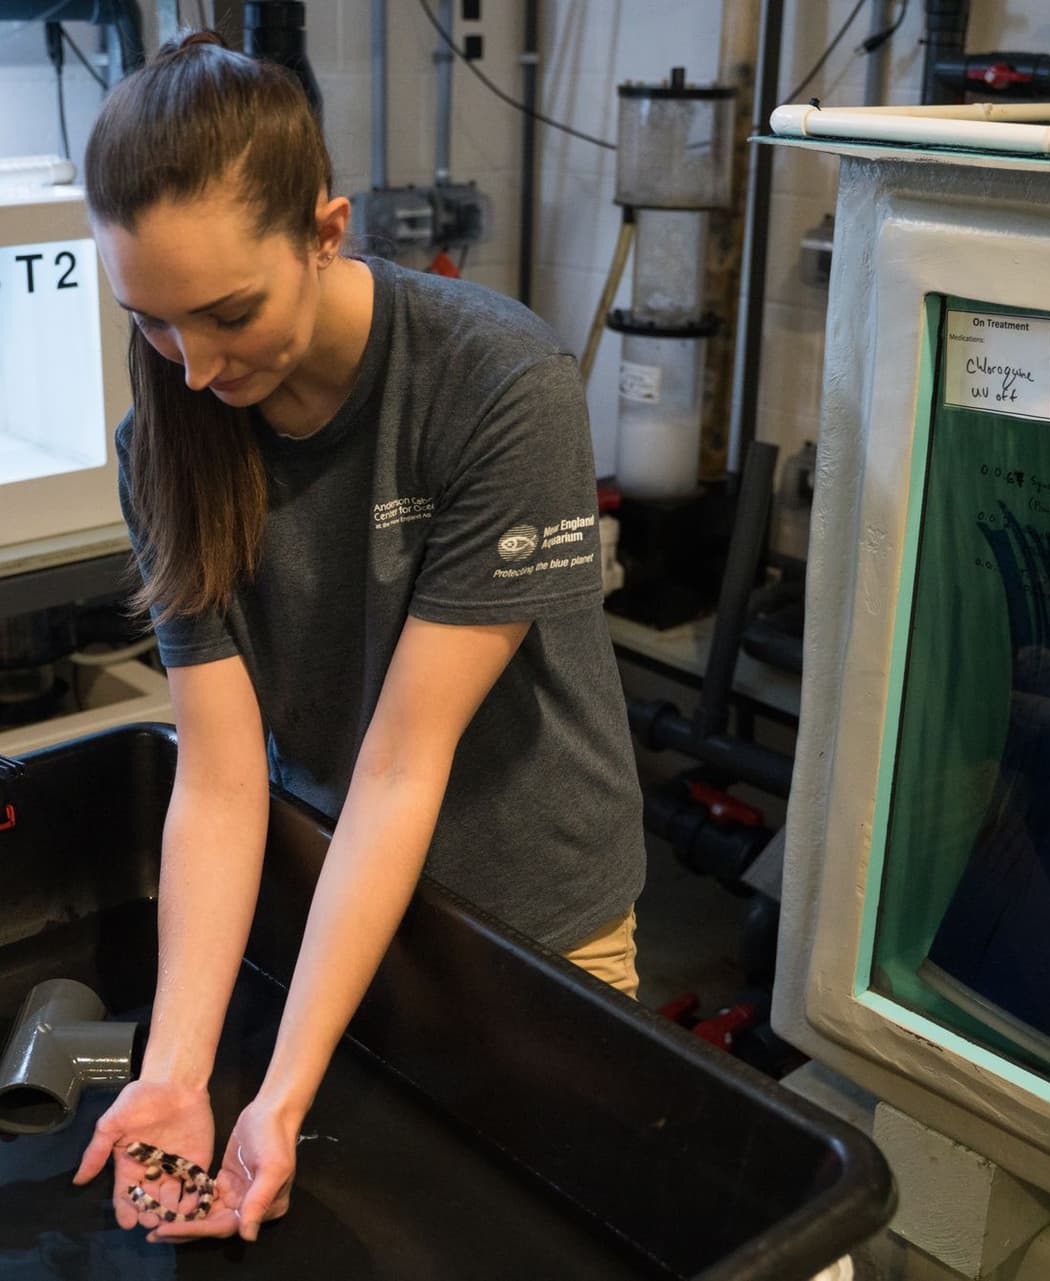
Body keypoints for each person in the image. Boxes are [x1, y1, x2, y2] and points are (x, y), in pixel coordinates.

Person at [70, 29, 646, 1245]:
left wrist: (276, 1091)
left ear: (327, 229)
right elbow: (222, 781)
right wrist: (181, 1071)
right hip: (338, 912)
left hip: (535, 929)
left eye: (228, 313)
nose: (192, 367)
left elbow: (402, 761)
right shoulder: (164, 443)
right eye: (155, 323)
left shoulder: (496, 386)